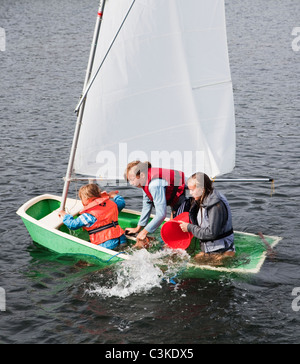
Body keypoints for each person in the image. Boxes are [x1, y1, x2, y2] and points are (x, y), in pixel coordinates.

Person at [124, 161, 186, 248]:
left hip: (184, 196)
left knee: (174, 235)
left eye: (132, 179)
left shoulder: (154, 184)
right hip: (174, 200)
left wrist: (144, 232)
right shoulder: (144, 182)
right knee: (169, 231)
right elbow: (146, 204)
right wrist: (138, 228)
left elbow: (161, 214)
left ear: (142, 175)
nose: (131, 183)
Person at [179, 172, 235, 262]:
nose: (190, 193)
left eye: (192, 190)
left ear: (202, 189)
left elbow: (211, 233)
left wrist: (190, 228)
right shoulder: (204, 198)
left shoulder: (215, 205)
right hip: (212, 248)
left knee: (191, 265)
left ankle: (228, 255)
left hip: (221, 250)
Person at [58, 184, 126, 250]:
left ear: (86, 199)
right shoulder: (112, 205)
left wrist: (65, 215)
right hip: (121, 239)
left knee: (83, 261)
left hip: (105, 245)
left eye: (81, 198)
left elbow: (73, 225)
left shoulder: (88, 215)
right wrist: (114, 195)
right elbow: (121, 202)